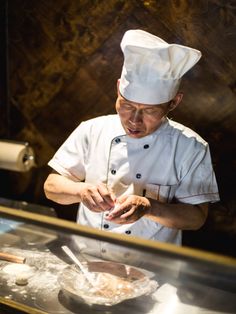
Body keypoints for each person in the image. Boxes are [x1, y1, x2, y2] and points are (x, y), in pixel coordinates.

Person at [44, 30, 220, 249]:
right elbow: (51, 186)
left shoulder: (191, 147)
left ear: (173, 102)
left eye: (149, 111)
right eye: (126, 105)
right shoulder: (92, 130)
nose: (134, 120)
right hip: (88, 264)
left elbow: (196, 218)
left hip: (152, 271)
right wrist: (80, 191)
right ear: (118, 88)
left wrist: (150, 207)